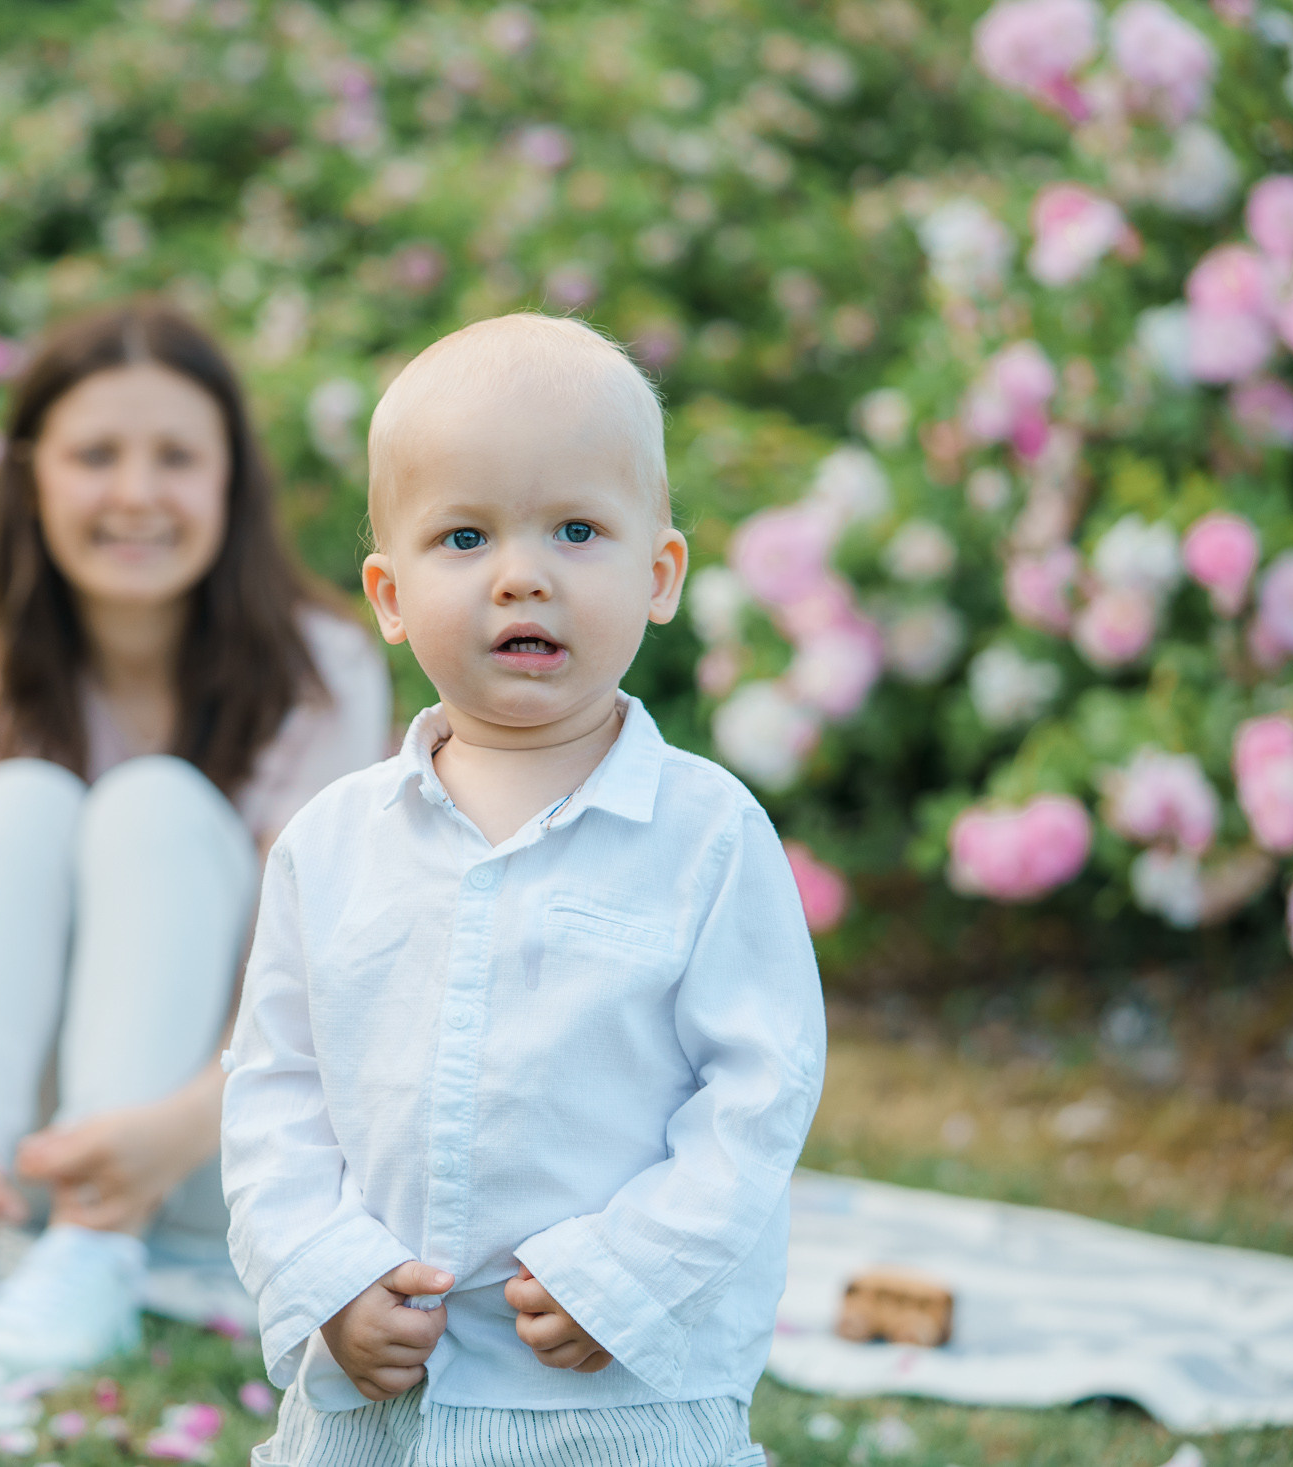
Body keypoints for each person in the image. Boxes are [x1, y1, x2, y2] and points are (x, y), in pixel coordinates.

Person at [220, 314, 825, 1466]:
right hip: (379, 1400)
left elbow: (758, 1091)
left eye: (577, 529)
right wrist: (326, 1275)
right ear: (389, 597)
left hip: (620, 1399)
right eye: (463, 537)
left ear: (659, 576)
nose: (520, 576)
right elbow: (274, 1093)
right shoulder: (331, 846)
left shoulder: (704, 836)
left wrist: (630, 1270)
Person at [0, 303, 390, 1383]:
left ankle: (92, 1254)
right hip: (0, 1149)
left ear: (231, 483)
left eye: (175, 457)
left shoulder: (325, 673)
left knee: (156, 805)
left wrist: (169, 1135)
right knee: (19, 800)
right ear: (34, 478)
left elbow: (314, 995)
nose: (135, 494)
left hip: (210, 1141)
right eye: (94, 456)